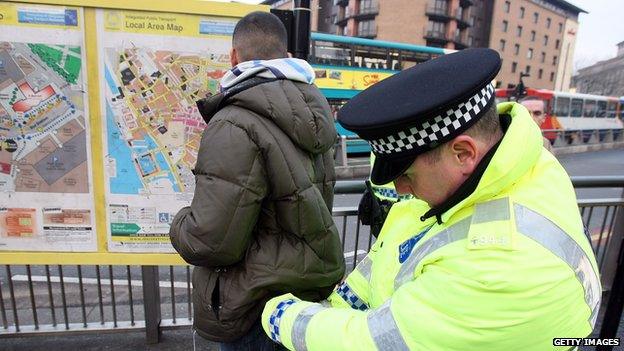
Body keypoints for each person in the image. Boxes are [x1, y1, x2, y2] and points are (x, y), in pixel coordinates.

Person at [259, 48, 601, 350]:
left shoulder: (497, 267)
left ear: (464, 152)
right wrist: (342, 302)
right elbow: (391, 254)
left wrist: (281, 316)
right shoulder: (525, 164)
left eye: (407, 174)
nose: (402, 190)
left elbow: (376, 341)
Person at [169, 11, 345, 350]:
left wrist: (177, 224)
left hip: (255, 304)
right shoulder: (313, 111)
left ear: (234, 56)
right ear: (287, 56)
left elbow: (212, 241)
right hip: (304, 299)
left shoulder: (234, 123)